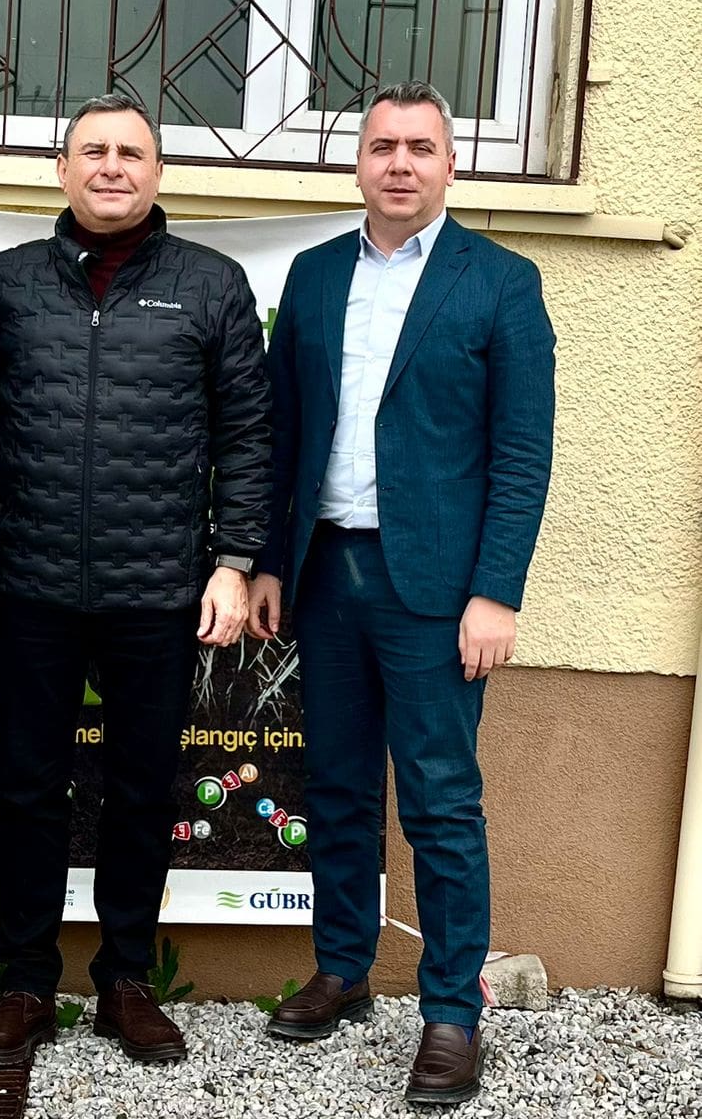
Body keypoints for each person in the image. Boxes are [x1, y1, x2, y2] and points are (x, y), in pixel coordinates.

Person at [249, 81, 555, 1107]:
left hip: (435, 589)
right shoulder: (313, 274)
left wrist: (495, 592)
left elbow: (520, 453)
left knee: (438, 799)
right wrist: (267, 561)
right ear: (358, 163)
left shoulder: (500, 281)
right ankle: (341, 968)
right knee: (336, 786)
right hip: (325, 572)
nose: (399, 163)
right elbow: (282, 433)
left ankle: (450, 1014)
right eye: (382, 145)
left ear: (448, 164)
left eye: (420, 147)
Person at [0, 94, 273, 1070]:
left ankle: (125, 980)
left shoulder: (211, 284)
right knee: (29, 788)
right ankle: (23, 982)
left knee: (141, 789)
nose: (110, 166)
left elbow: (246, 435)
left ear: (156, 171)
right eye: (92, 150)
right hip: (32, 582)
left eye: (130, 152)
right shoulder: (6, 281)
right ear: (62, 170)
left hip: (158, 590)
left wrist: (232, 562)